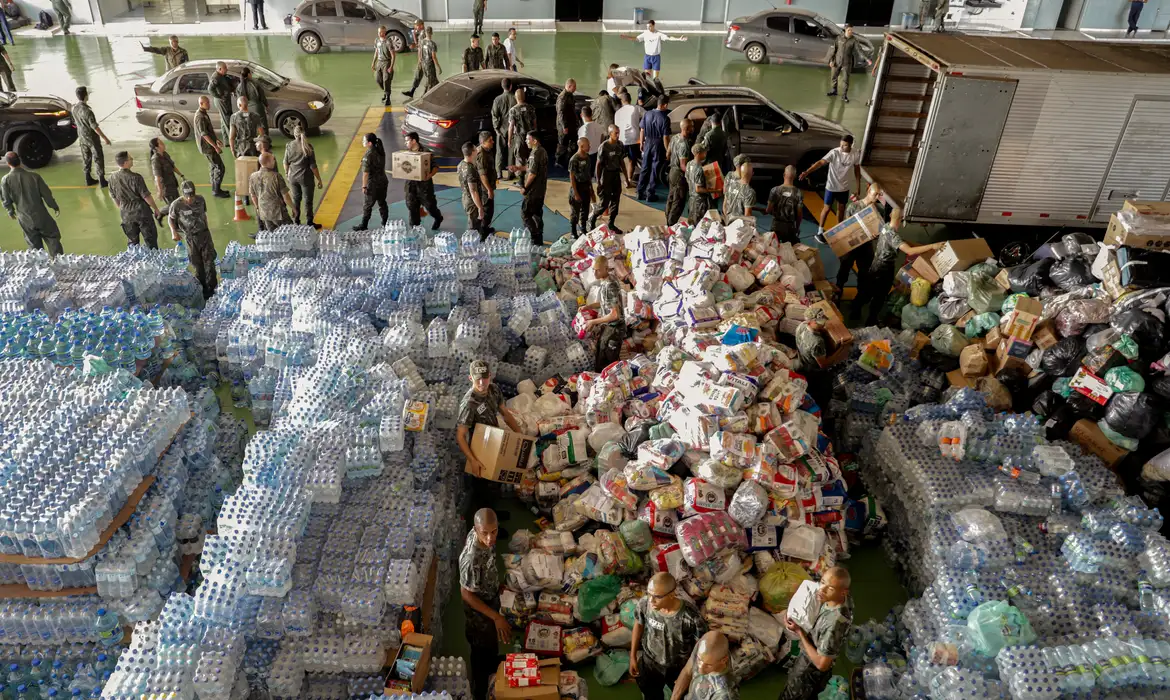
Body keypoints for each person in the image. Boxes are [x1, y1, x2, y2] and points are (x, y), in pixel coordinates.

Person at [777, 567, 854, 700]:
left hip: (810, 670)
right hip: (816, 651)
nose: (822, 589)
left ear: (843, 592)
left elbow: (822, 664)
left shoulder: (834, 624)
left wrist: (799, 632)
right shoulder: (842, 599)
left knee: (794, 695)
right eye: (822, 582)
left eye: (830, 588)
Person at [630, 572, 708, 700]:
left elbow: (700, 649)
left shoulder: (691, 617)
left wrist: (688, 674)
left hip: (678, 669)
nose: (651, 600)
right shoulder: (645, 604)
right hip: (650, 663)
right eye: (649, 594)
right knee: (651, 694)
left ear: (672, 594)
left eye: (657, 596)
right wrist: (632, 656)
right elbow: (638, 624)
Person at [459, 508, 508, 700]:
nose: (490, 538)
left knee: (490, 650)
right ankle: (481, 691)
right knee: (482, 654)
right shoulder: (472, 558)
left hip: (489, 599)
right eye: (484, 533)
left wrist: (497, 585)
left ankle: (492, 672)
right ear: (476, 530)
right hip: (479, 615)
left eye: (494, 531)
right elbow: (466, 594)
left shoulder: (486, 537)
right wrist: (496, 617)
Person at [457, 359, 524, 474]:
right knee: (484, 484)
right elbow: (460, 436)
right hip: (478, 450)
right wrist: (472, 460)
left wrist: (520, 436)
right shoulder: (469, 404)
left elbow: (505, 414)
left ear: (490, 376)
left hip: (494, 439)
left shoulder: (494, 390)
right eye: (477, 379)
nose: (482, 382)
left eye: (485, 378)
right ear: (470, 378)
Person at [801, 134, 860, 243]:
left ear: (851, 145)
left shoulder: (855, 154)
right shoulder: (834, 152)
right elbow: (820, 162)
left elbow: (857, 170)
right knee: (826, 209)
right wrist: (807, 172)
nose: (842, 148)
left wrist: (858, 187)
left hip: (844, 188)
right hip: (831, 187)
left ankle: (838, 230)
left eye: (845, 146)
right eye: (841, 145)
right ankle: (819, 231)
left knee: (841, 209)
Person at [1, 152, 61, 257]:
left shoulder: (5, 180)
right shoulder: (34, 177)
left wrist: (10, 211)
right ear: (19, 160)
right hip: (41, 215)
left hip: (24, 218)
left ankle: (41, 267)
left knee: (34, 245)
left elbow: (5, 199)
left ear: (8, 163)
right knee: (52, 237)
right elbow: (47, 195)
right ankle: (59, 262)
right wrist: (54, 206)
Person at [167, 180, 218, 300]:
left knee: (209, 262)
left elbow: (204, 215)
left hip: (205, 235)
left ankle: (213, 288)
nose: (190, 199)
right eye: (187, 196)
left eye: (192, 196)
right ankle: (203, 290)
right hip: (191, 237)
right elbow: (171, 218)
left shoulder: (200, 200)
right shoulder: (176, 205)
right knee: (197, 265)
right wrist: (173, 231)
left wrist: (206, 227)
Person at [108, 151, 162, 249]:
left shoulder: (112, 178)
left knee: (132, 243)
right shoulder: (136, 177)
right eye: (130, 159)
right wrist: (156, 209)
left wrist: (123, 208)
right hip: (141, 212)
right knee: (150, 241)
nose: (132, 160)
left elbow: (114, 197)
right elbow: (146, 196)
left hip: (126, 214)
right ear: (125, 163)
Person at [582, 255, 625, 371]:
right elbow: (605, 302)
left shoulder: (610, 286)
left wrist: (593, 321)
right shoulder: (606, 280)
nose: (595, 273)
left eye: (598, 270)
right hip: (609, 326)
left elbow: (615, 314)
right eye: (593, 270)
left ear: (606, 268)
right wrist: (588, 306)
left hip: (615, 328)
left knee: (606, 364)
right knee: (600, 352)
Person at [670, 632, 736, 700]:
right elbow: (687, 671)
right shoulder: (703, 648)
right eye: (699, 660)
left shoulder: (725, 693)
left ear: (723, 660)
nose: (700, 670)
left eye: (708, 665)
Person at [508, 130, 547, 245]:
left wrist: (524, 187)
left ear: (534, 141)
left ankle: (534, 237)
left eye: (528, 139)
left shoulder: (535, 154)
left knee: (525, 213)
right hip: (541, 190)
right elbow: (531, 168)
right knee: (537, 213)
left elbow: (532, 174)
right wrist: (518, 168)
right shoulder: (541, 151)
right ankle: (539, 236)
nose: (526, 141)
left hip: (533, 191)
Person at [403, 130, 443, 231]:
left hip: (424, 186)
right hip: (411, 186)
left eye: (407, 141)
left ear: (413, 141)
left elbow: (435, 166)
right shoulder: (406, 153)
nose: (405, 143)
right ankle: (416, 229)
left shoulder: (426, 152)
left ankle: (438, 218)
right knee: (412, 208)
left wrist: (429, 175)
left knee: (430, 207)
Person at [284, 126, 323, 227]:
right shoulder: (308, 147)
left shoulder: (289, 145)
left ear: (294, 134)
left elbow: (286, 162)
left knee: (296, 199)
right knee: (308, 200)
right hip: (306, 178)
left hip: (293, 177)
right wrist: (319, 179)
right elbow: (313, 166)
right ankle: (309, 222)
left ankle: (296, 221)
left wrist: (287, 174)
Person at [72, 86, 110, 188]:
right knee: (98, 157)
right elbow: (95, 127)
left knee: (86, 158)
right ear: (85, 96)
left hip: (82, 137)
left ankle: (88, 178)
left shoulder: (74, 109)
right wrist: (105, 138)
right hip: (92, 138)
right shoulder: (88, 111)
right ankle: (102, 180)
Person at [622, 20, 687, 80]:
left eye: (650, 26)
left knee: (655, 78)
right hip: (647, 57)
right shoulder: (645, 33)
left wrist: (678, 39)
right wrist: (626, 37)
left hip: (656, 57)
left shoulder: (658, 34)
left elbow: (669, 38)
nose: (648, 28)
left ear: (653, 26)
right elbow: (636, 39)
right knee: (647, 78)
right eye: (647, 27)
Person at [590, 124, 626, 233]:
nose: (618, 135)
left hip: (615, 174)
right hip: (606, 175)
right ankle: (592, 219)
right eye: (616, 133)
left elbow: (621, 161)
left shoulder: (620, 145)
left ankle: (611, 223)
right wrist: (598, 181)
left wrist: (626, 178)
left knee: (616, 201)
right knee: (604, 203)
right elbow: (598, 165)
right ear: (610, 134)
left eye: (619, 132)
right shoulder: (604, 146)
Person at [193, 96, 230, 199]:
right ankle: (216, 191)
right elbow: (204, 134)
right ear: (201, 103)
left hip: (209, 146)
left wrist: (216, 139)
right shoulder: (200, 117)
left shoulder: (204, 114)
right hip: (207, 148)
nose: (209, 104)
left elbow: (209, 130)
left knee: (214, 167)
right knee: (219, 167)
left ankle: (216, 189)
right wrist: (215, 146)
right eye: (207, 103)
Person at [248, 151, 293, 232]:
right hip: (277, 212)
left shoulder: (252, 176)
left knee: (273, 235)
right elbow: (286, 196)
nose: (275, 161)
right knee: (290, 232)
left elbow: (253, 195)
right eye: (273, 160)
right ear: (268, 162)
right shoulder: (276, 176)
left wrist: (258, 208)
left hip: (264, 212)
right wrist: (294, 208)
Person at [637, 95, 670, 203]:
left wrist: (641, 143)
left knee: (645, 167)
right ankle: (650, 194)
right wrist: (668, 150)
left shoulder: (647, 113)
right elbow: (665, 137)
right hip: (658, 144)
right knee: (655, 169)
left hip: (648, 142)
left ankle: (640, 191)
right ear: (664, 105)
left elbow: (642, 129)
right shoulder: (665, 118)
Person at [825, 25, 871, 103]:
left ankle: (844, 95)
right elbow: (834, 50)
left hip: (847, 62)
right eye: (849, 30)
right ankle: (834, 90)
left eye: (851, 30)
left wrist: (867, 59)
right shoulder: (839, 38)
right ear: (845, 30)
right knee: (834, 77)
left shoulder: (854, 40)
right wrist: (831, 60)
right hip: (837, 61)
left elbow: (859, 50)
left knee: (846, 80)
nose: (851, 32)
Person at [664, 117, 694, 225]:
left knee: (671, 197)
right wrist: (692, 175)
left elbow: (667, 154)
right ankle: (671, 224)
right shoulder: (684, 144)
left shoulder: (674, 138)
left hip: (672, 172)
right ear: (687, 128)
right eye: (692, 127)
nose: (693, 128)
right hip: (679, 175)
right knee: (679, 201)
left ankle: (668, 219)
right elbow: (683, 165)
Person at [356, 133, 388, 231]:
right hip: (383, 181)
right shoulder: (380, 151)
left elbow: (365, 173)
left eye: (364, 141)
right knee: (382, 202)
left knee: (367, 205)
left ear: (369, 143)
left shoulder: (368, 155)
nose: (363, 142)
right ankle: (385, 223)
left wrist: (364, 186)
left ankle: (364, 224)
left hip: (373, 184)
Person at [614, 90, 644, 189]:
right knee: (632, 160)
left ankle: (623, 179)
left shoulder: (617, 113)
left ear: (622, 101)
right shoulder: (636, 108)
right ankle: (629, 180)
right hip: (633, 138)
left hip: (621, 139)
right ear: (630, 100)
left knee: (621, 160)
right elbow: (647, 115)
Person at [766, 164, 803, 245]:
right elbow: (799, 215)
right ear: (795, 176)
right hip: (790, 228)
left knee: (773, 251)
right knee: (790, 251)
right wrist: (797, 228)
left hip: (776, 226)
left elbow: (768, 210)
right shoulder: (798, 193)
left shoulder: (774, 190)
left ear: (784, 175)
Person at [458, 140, 487, 237]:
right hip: (472, 202)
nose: (477, 150)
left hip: (465, 197)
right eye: (475, 149)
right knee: (473, 227)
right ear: (472, 152)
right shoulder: (470, 170)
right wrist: (480, 207)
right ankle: (470, 246)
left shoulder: (461, 164)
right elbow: (473, 191)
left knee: (475, 225)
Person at [148, 138, 184, 215]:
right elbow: (157, 177)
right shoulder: (156, 160)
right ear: (156, 147)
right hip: (166, 188)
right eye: (161, 143)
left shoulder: (165, 154)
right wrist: (160, 191)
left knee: (177, 204)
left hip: (173, 184)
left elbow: (172, 166)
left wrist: (181, 175)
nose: (163, 143)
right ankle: (159, 213)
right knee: (174, 207)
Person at [567, 137, 594, 238]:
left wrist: (591, 190)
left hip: (585, 187)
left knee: (585, 210)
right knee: (575, 212)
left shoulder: (587, 157)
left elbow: (588, 175)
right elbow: (572, 178)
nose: (590, 147)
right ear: (582, 146)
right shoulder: (574, 159)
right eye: (588, 145)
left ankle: (583, 229)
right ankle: (573, 232)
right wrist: (576, 193)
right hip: (577, 187)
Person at [490, 78, 515, 179]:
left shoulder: (497, 99)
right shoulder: (515, 98)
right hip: (512, 129)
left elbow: (494, 115)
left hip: (501, 129)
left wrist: (497, 129)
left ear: (502, 86)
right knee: (511, 152)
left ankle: (499, 173)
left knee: (499, 152)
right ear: (511, 86)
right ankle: (511, 173)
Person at [686, 143, 718, 224]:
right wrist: (714, 190)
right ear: (698, 154)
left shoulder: (689, 164)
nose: (705, 154)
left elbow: (687, 178)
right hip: (699, 202)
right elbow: (698, 189)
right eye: (704, 152)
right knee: (699, 225)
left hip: (691, 199)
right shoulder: (699, 169)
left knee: (691, 223)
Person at [506, 87, 536, 174]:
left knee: (520, 158)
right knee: (531, 156)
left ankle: (521, 179)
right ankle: (531, 173)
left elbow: (511, 126)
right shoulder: (531, 108)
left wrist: (509, 140)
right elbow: (534, 123)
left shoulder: (513, 110)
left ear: (516, 98)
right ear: (524, 97)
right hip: (531, 137)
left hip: (519, 137)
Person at [405, 26, 441, 96]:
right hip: (425, 62)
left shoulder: (422, 38)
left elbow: (420, 49)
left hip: (423, 61)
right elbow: (420, 50)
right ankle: (420, 94)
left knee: (431, 79)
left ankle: (434, 93)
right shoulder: (430, 42)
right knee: (424, 77)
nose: (416, 27)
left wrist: (420, 59)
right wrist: (438, 67)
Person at [473, 130, 496, 239]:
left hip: (487, 186)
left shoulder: (487, 150)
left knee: (489, 210)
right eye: (490, 140)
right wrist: (489, 190)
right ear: (483, 142)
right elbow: (482, 175)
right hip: (484, 188)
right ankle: (482, 232)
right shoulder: (481, 154)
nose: (493, 142)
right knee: (487, 210)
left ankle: (485, 228)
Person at [722, 155, 756, 220]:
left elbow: (725, 204)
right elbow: (747, 216)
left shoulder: (731, 184)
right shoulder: (749, 191)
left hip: (728, 219)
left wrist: (727, 219)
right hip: (740, 225)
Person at [555, 78, 580, 169]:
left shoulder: (570, 95)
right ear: (569, 86)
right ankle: (558, 161)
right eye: (574, 86)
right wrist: (564, 126)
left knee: (573, 142)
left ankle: (569, 159)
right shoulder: (562, 97)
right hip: (564, 125)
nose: (575, 88)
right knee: (562, 143)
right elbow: (560, 112)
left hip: (571, 123)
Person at [209, 62, 235, 144]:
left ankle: (227, 141)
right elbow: (210, 89)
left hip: (224, 100)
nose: (227, 70)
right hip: (221, 101)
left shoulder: (221, 76)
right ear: (220, 69)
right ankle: (232, 141)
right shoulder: (216, 77)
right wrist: (220, 96)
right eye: (225, 68)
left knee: (224, 121)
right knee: (227, 120)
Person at [699, 111, 730, 180]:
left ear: (711, 122)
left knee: (711, 184)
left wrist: (702, 163)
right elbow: (725, 149)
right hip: (719, 162)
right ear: (720, 122)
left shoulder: (708, 135)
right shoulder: (724, 134)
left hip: (710, 163)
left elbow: (705, 151)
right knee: (717, 183)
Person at [372, 25, 397, 106]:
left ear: (384, 33)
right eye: (378, 32)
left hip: (387, 62)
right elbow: (376, 52)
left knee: (386, 80)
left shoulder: (388, 42)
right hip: (379, 62)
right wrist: (373, 62)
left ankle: (388, 97)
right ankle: (386, 92)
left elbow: (393, 55)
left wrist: (391, 66)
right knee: (378, 79)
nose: (379, 34)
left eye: (380, 32)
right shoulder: (377, 40)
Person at [578, 105, 604, 175]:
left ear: (581, 115)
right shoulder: (599, 126)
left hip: (587, 157)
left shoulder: (582, 129)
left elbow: (582, 145)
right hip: (597, 155)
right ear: (591, 114)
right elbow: (602, 140)